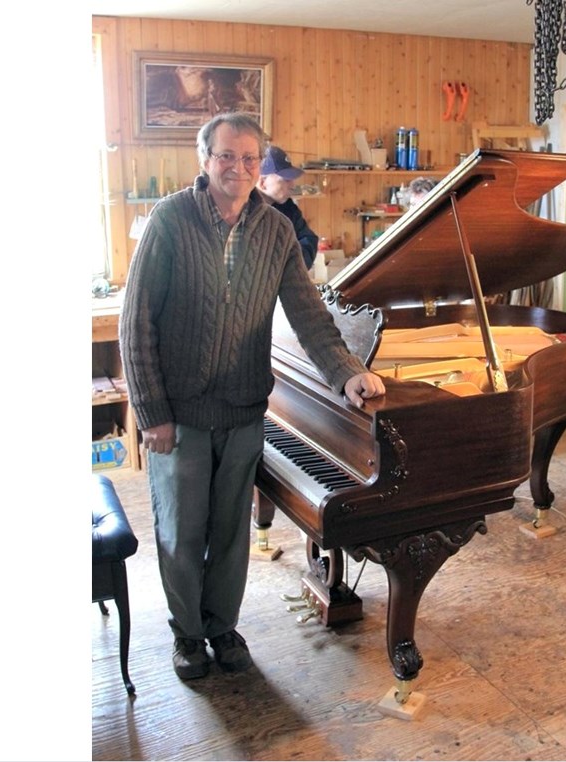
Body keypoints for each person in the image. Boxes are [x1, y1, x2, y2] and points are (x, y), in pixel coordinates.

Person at [119, 112, 387, 681]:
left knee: (230, 535)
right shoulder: (170, 219)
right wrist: (151, 412)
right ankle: (187, 633)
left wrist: (346, 372)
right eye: (226, 156)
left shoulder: (276, 230)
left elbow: (308, 314)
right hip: (179, 416)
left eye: (248, 158)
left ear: (258, 164)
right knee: (181, 533)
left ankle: (222, 627)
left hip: (243, 413)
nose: (237, 168)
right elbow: (135, 322)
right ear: (205, 159)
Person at [257, 145, 319, 269]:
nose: (293, 185)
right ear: (263, 183)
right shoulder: (242, 213)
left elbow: (309, 239)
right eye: (286, 180)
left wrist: (290, 267)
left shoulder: (289, 208)